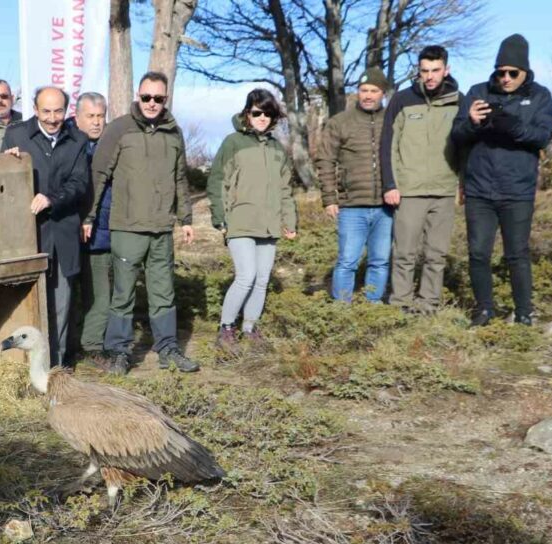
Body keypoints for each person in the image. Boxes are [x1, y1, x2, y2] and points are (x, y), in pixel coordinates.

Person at [88, 71, 198, 375]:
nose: (152, 103)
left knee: (164, 293)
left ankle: (168, 350)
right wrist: (89, 216)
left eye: (158, 98)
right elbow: (99, 175)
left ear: (166, 99)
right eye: (146, 97)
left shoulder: (173, 133)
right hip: (126, 227)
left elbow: (180, 178)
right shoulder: (119, 129)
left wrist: (186, 218)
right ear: (138, 95)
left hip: (162, 228)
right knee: (122, 294)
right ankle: (119, 353)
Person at [451, 34, 552, 327]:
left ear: (525, 71)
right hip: (480, 189)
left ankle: (523, 312)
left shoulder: (540, 96)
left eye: (513, 73)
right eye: (501, 72)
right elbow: (456, 136)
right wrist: (471, 121)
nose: (506, 78)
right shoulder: (477, 91)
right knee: (478, 252)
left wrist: (515, 127)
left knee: (517, 254)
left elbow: (543, 136)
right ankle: (484, 310)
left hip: (517, 190)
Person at [2, 86, 89, 366]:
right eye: (46, 111)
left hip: (63, 232)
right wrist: (7, 163)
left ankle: (57, 368)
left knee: (61, 304)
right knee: (28, 301)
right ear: (35, 109)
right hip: (28, 235)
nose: (53, 118)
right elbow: (0, 183)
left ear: (67, 110)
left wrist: (51, 199)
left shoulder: (78, 140)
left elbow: (79, 184)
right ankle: (24, 369)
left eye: (59, 111)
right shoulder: (16, 135)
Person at [208, 89, 297, 348]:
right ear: (247, 113)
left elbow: (285, 189)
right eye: (257, 112)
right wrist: (220, 217)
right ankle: (226, 329)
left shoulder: (277, 149)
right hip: (241, 221)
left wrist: (290, 222)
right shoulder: (232, 142)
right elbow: (217, 181)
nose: (262, 118)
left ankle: (249, 329)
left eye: (268, 113)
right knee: (246, 276)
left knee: (261, 279)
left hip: (268, 224)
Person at [382, 46, 463, 314]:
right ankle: (400, 303)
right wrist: (390, 184)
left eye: (435, 70)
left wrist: (462, 184)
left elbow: (466, 146)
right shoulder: (402, 100)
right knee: (404, 253)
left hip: (444, 189)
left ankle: (428, 303)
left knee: (435, 254)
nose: (429, 76)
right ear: (419, 71)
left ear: (446, 69)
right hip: (409, 191)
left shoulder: (459, 100)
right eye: (424, 71)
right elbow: (387, 144)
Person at [315, 67, 391, 303]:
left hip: (386, 206)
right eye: (363, 90)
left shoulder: (393, 120)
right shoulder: (340, 122)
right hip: (351, 206)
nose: (368, 95)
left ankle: (372, 307)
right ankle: (343, 310)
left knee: (380, 260)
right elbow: (325, 160)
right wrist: (329, 198)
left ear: (383, 93)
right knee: (347, 260)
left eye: (374, 91)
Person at [72, 92, 112, 366]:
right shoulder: (67, 145)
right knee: (67, 295)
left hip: (101, 234)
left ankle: (92, 346)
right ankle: (68, 344)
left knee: (99, 293)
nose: (97, 122)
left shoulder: (112, 145)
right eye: (91, 116)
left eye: (101, 116)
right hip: (68, 233)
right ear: (77, 118)